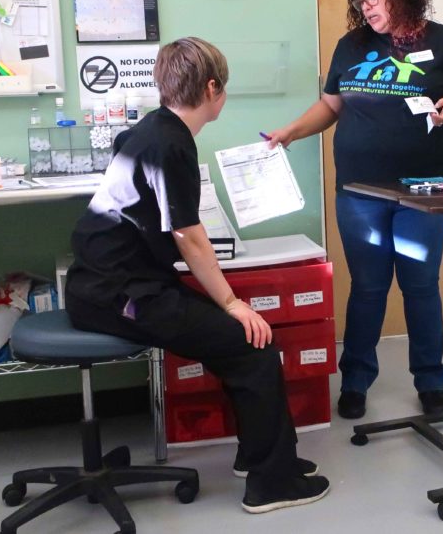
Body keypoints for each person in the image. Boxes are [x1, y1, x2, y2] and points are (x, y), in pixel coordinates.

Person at [64, 38, 329, 512]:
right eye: (223, 87)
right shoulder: (171, 145)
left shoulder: (154, 130)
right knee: (254, 343)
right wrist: (231, 302)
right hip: (120, 294)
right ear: (212, 88)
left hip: (106, 286)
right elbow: (188, 236)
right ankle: (273, 483)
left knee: (236, 341)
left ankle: (260, 457)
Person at [266, 0, 443, 419]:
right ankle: (356, 381)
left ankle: (430, 380)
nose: (366, 5)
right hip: (360, 191)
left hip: (424, 189)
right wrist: (290, 132)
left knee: (420, 284)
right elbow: (331, 107)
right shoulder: (352, 46)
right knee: (367, 287)